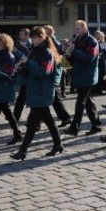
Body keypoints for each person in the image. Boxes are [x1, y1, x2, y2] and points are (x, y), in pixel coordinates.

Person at [11, 26, 64, 160]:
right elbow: (30, 71)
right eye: (32, 38)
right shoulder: (34, 51)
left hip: (42, 91)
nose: (32, 40)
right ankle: (58, 144)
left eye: (34, 38)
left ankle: (22, 151)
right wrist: (21, 66)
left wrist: (28, 62)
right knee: (49, 121)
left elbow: (43, 72)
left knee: (32, 123)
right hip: (36, 90)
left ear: (41, 38)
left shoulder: (47, 52)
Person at [66, 20, 102, 136]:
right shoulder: (77, 40)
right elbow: (71, 58)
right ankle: (96, 125)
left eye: (79, 29)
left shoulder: (92, 41)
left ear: (85, 28)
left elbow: (89, 58)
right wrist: (66, 52)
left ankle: (74, 128)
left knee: (80, 102)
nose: (77, 31)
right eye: (76, 29)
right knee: (88, 102)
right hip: (79, 75)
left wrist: (74, 50)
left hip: (88, 76)